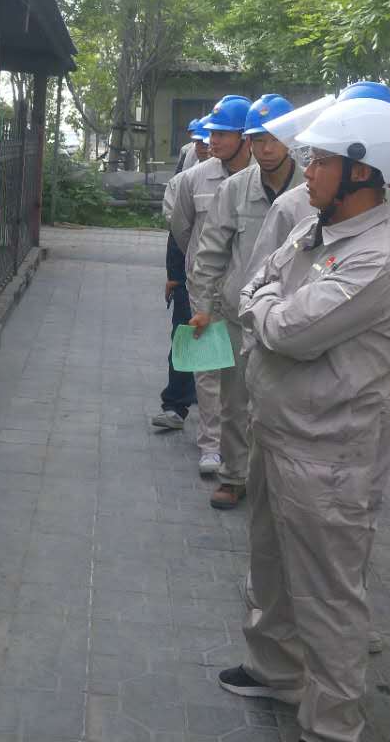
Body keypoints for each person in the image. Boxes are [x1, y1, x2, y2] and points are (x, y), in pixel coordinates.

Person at [216, 95, 390, 742]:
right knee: (270, 563)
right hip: (280, 426)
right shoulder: (316, 229)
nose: (307, 170)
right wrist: (269, 306)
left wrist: (269, 308)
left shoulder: (378, 256)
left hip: (327, 447)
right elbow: (255, 286)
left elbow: (288, 330)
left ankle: (333, 721)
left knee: (328, 592)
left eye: (321, 161)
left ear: (361, 172)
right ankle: (276, 669)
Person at [187, 94, 303, 510]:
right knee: (234, 401)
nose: (265, 148)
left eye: (273, 139)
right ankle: (234, 475)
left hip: (294, 319)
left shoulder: (312, 189)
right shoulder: (234, 190)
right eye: (257, 140)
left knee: (286, 404)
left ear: (290, 139)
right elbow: (210, 253)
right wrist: (203, 306)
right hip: (239, 316)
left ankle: (278, 481)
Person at [170, 94, 253, 473]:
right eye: (212, 133)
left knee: (246, 371)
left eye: (222, 134)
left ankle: (242, 444)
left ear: (244, 137)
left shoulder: (261, 180)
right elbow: (181, 228)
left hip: (249, 292)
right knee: (208, 368)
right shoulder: (193, 179)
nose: (212, 140)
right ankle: (211, 445)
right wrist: (200, 270)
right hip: (206, 288)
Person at [153, 120, 209, 431]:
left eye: (210, 140)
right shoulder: (188, 178)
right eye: (200, 141)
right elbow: (178, 230)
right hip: (193, 275)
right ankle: (176, 404)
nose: (205, 146)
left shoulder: (247, 179)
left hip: (234, 281)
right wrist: (175, 275)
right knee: (186, 335)